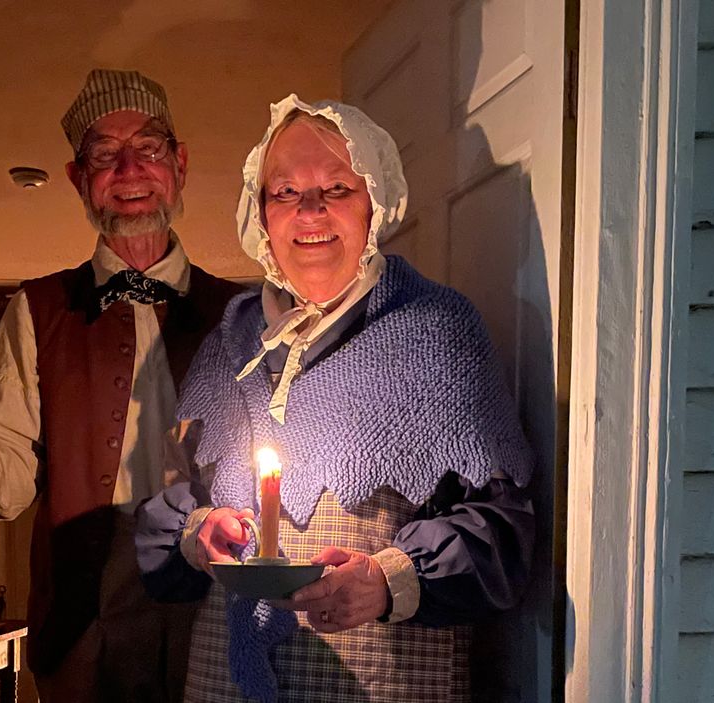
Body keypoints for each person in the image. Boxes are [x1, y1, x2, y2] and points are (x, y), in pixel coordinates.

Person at [135, 95, 536, 702]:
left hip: (383, 679)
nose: (310, 210)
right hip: (227, 681)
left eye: (337, 189)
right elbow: (171, 497)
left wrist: (387, 580)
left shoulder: (437, 331)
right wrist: (199, 531)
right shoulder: (231, 342)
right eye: (286, 192)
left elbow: (505, 532)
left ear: (375, 202)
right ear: (261, 213)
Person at [0, 69, 244, 702]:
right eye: (104, 155)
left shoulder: (245, 313)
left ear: (180, 164)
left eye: (150, 147)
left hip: (215, 620)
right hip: (82, 629)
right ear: (79, 179)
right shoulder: (38, 309)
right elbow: (4, 478)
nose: (130, 168)